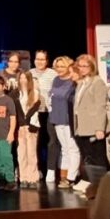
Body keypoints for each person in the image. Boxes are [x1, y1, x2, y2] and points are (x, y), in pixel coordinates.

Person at [74, 54, 110, 186]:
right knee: (87, 157)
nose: (82, 68)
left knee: (98, 158)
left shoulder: (97, 82)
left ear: (92, 67)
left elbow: (101, 106)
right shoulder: (81, 83)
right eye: (80, 66)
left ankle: (104, 185)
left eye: (85, 66)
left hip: (93, 128)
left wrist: (100, 128)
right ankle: (90, 183)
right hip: (82, 127)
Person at [48, 56, 80, 188]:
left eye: (62, 66)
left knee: (73, 149)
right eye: (57, 66)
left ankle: (72, 178)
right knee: (64, 149)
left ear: (69, 67)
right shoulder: (56, 80)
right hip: (57, 119)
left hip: (68, 120)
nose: (59, 69)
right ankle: (64, 176)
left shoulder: (73, 81)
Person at [29, 50, 57, 176]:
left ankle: (50, 169)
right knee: (36, 142)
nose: (39, 62)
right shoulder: (30, 73)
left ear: (47, 61)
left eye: (42, 59)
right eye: (37, 59)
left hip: (49, 112)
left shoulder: (53, 74)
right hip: (34, 113)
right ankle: (38, 168)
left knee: (50, 141)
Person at [14, 71, 41, 188]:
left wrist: (28, 122)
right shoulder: (16, 93)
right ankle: (23, 178)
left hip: (31, 126)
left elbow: (34, 110)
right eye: (21, 78)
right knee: (21, 154)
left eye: (25, 78)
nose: (23, 81)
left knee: (31, 153)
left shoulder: (34, 93)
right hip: (20, 127)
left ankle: (32, 178)